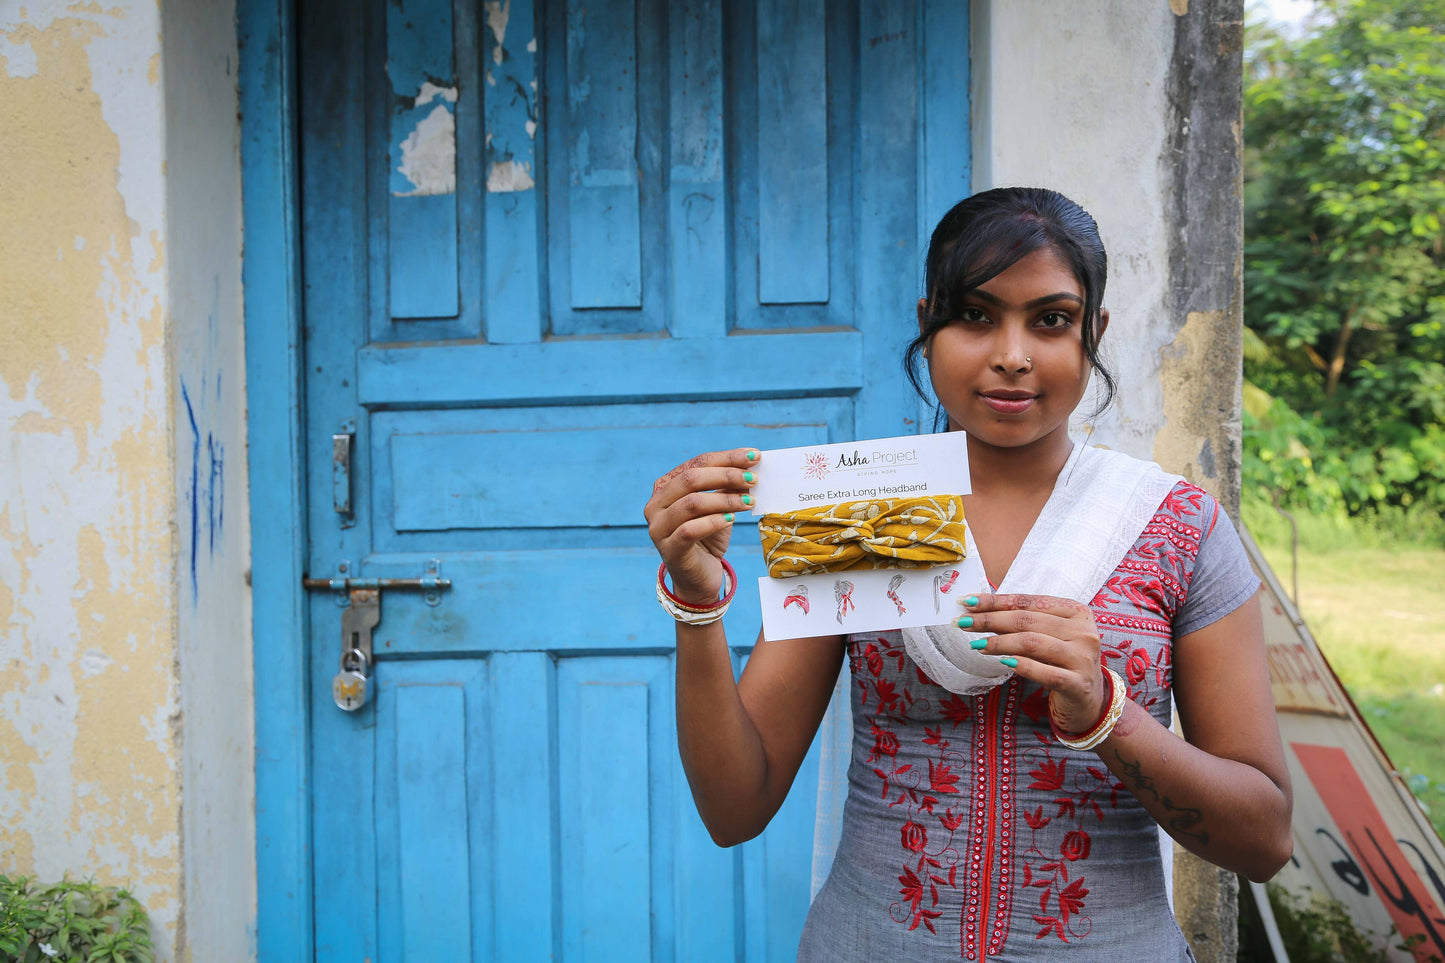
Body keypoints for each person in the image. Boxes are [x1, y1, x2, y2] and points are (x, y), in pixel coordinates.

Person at [644, 187, 1292, 960]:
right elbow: (734, 807)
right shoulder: (857, 511)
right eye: (975, 315)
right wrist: (695, 601)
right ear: (928, 322)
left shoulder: (1175, 528)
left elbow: (1264, 840)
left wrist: (1106, 712)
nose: (1011, 354)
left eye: (1050, 319)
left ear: (1094, 332)